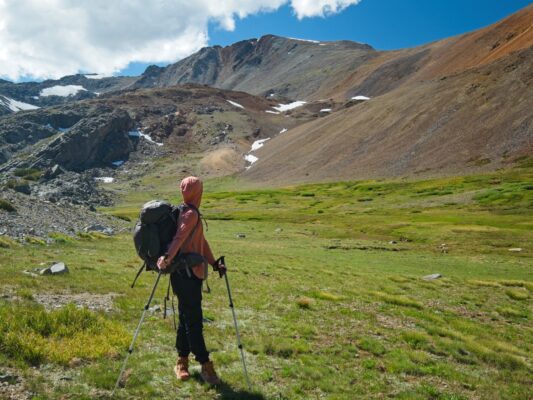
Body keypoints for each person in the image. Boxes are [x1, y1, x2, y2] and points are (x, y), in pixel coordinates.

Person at [157, 176, 226, 385]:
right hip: (185, 275)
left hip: (190, 275)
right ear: (198, 192)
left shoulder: (191, 213)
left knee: (187, 317)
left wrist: (214, 263)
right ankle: (205, 365)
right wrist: (166, 258)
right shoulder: (189, 215)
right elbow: (179, 237)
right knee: (194, 321)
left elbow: (200, 242)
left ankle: (182, 362)